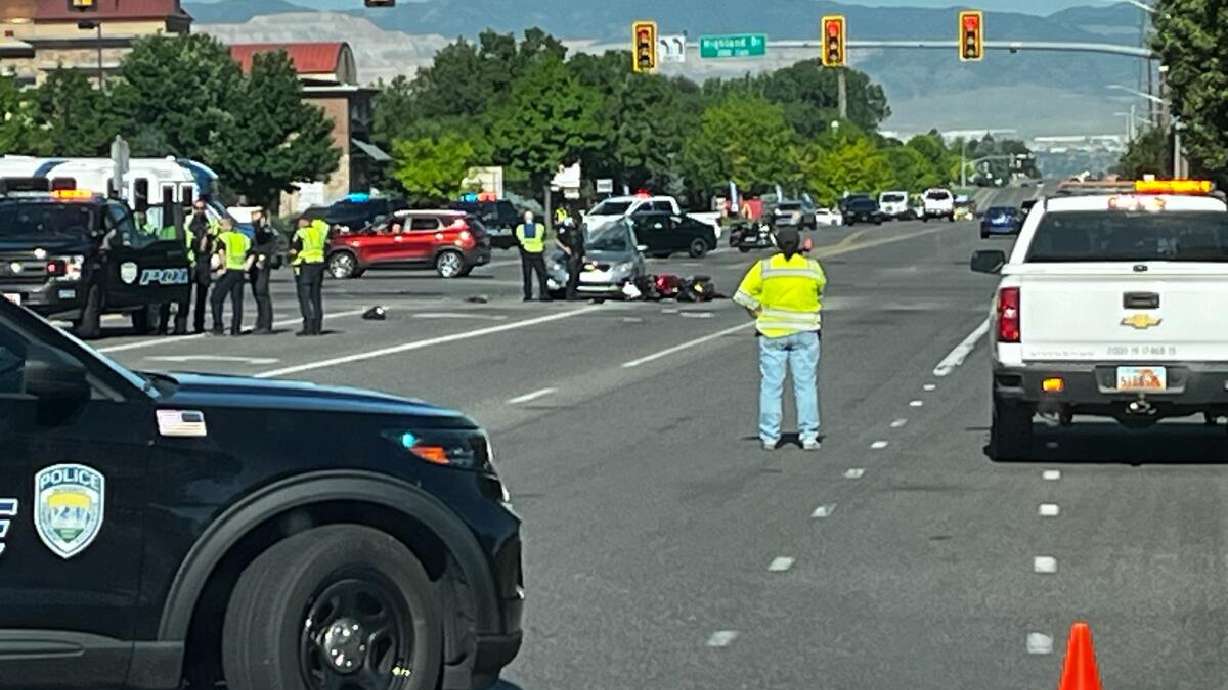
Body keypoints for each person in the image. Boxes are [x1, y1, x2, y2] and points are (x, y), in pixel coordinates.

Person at [733, 227, 828, 452]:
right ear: (798, 245)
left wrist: (758, 310)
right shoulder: (811, 268)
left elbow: (741, 296)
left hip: (772, 333)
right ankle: (808, 436)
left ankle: (769, 436)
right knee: (805, 385)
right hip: (806, 332)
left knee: (771, 386)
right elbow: (819, 293)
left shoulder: (765, 268)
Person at [209, 219, 254, 336]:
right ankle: (236, 328)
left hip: (228, 270)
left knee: (216, 298)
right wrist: (247, 266)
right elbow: (252, 252)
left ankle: (218, 327)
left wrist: (222, 267)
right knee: (237, 301)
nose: (220, 227)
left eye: (222, 225)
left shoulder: (223, 237)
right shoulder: (243, 238)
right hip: (239, 271)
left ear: (228, 226)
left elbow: (221, 252)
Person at [289, 216, 327, 336]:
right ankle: (317, 327)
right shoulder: (319, 232)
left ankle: (308, 327)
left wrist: (289, 255)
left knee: (305, 298)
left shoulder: (301, 233)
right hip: (319, 265)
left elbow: (294, 250)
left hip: (305, 266)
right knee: (316, 297)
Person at [187, 201, 217, 333]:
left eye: (201, 208)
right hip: (190, 261)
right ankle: (180, 325)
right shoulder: (187, 221)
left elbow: (216, 238)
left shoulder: (210, 221)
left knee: (202, 295)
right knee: (185, 296)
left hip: (204, 261)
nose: (199, 210)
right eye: (196, 208)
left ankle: (199, 325)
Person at [248, 209, 276, 335]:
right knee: (257, 293)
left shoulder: (266, 229)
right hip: (254, 263)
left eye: (256, 215)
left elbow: (264, 243)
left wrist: (260, 221)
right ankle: (260, 322)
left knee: (261, 291)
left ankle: (265, 324)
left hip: (262, 263)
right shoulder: (254, 228)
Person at [515, 210, 550, 302]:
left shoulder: (520, 228)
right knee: (542, 274)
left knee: (527, 275)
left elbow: (519, 240)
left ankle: (528, 295)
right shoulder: (539, 227)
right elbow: (543, 236)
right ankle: (544, 294)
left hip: (526, 252)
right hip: (537, 252)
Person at [556, 217, 585, 300]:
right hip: (571, 255)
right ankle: (569, 294)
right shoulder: (565, 233)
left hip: (578, 254)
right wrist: (565, 248)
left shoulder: (579, 232)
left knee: (576, 275)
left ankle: (574, 292)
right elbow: (557, 240)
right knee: (572, 275)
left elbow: (581, 244)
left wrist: (583, 255)